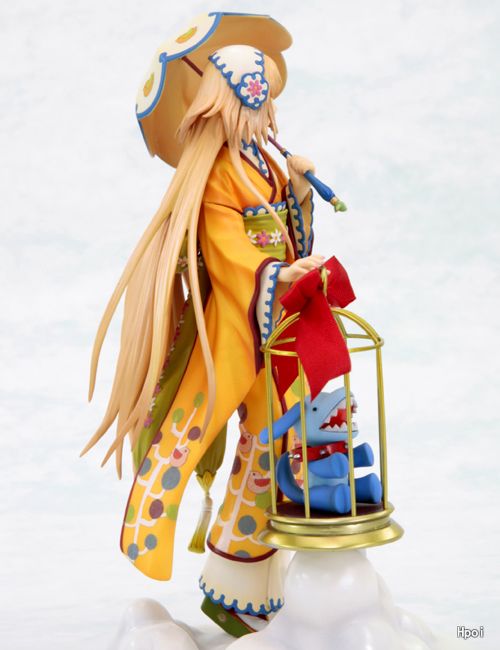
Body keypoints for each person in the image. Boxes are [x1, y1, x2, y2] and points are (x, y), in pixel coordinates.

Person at [82, 39, 324, 637]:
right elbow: (228, 250)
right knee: (201, 429)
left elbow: (288, 235)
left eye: (267, 105)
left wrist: (297, 196)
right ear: (228, 105)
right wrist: (274, 273)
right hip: (236, 325)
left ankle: (244, 574)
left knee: (278, 436)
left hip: (278, 319)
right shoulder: (217, 173)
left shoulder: (267, 162)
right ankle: (170, 540)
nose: (263, 115)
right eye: (255, 104)